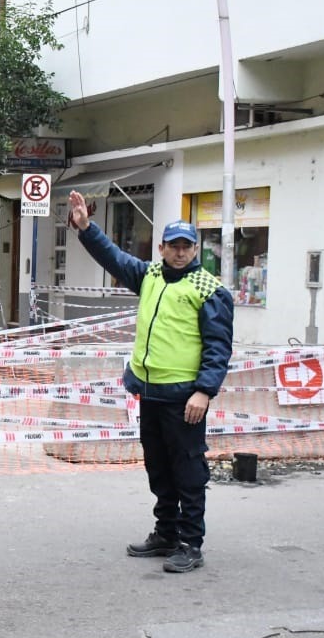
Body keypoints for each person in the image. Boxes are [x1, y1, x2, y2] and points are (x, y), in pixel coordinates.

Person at [67, 189, 234, 573]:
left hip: (184, 399)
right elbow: (114, 258)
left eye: (186, 246)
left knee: (188, 471)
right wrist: (86, 227)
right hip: (150, 393)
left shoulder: (210, 290)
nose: (179, 252)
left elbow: (217, 347)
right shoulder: (150, 276)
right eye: (173, 246)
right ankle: (166, 533)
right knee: (158, 468)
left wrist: (204, 392)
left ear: (196, 249)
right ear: (161, 248)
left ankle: (191, 543)